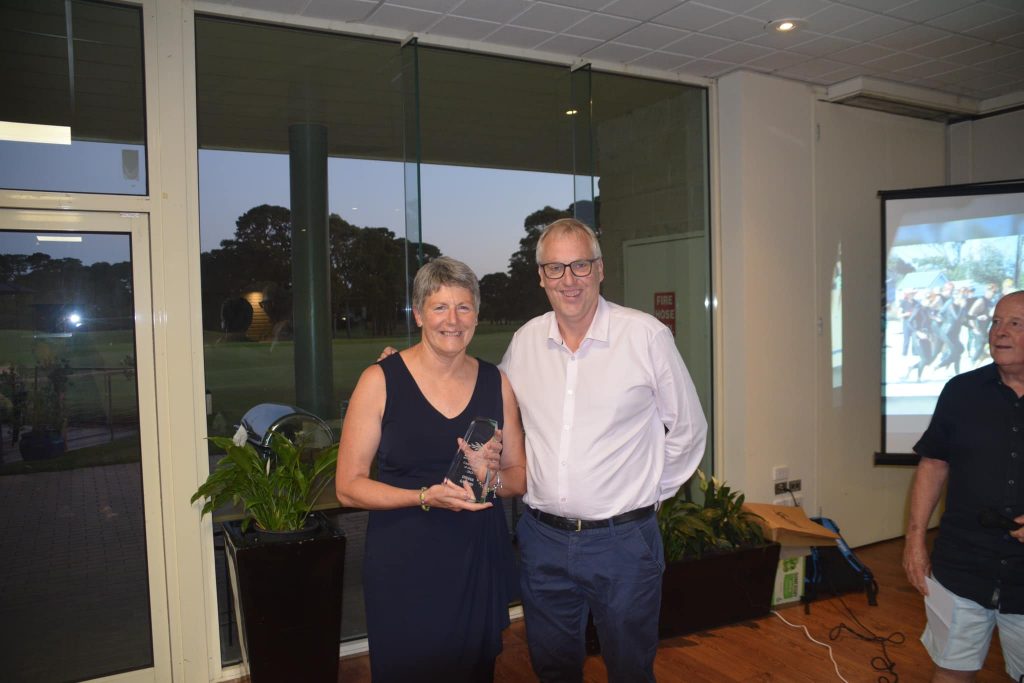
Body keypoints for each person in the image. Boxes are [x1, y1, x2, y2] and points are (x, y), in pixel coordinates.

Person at [501, 218, 707, 682]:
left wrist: (647, 494)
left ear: (600, 269)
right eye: (555, 268)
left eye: (580, 265)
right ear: (540, 277)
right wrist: (412, 368)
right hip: (543, 541)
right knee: (552, 669)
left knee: (630, 669)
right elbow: (493, 410)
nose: (568, 280)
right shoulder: (525, 342)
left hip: (623, 544)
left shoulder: (645, 336)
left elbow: (689, 429)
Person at [335, 256, 527, 682]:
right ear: (419, 314)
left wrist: (489, 478)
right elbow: (347, 487)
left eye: (463, 307)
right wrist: (424, 496)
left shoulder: (496, 382)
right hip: (404, 562)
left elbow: (518, 477)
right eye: (440, 307)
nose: (452, 320)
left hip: (475, 559)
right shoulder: (379, 380)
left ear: (476, 315)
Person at [903, 289, 1024, 683]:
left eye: (1015, 323)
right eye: (995, 322)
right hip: (960, 566)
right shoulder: (961, 391)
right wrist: (915, 541)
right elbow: (933, 464)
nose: (999, 332)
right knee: (951, 671)